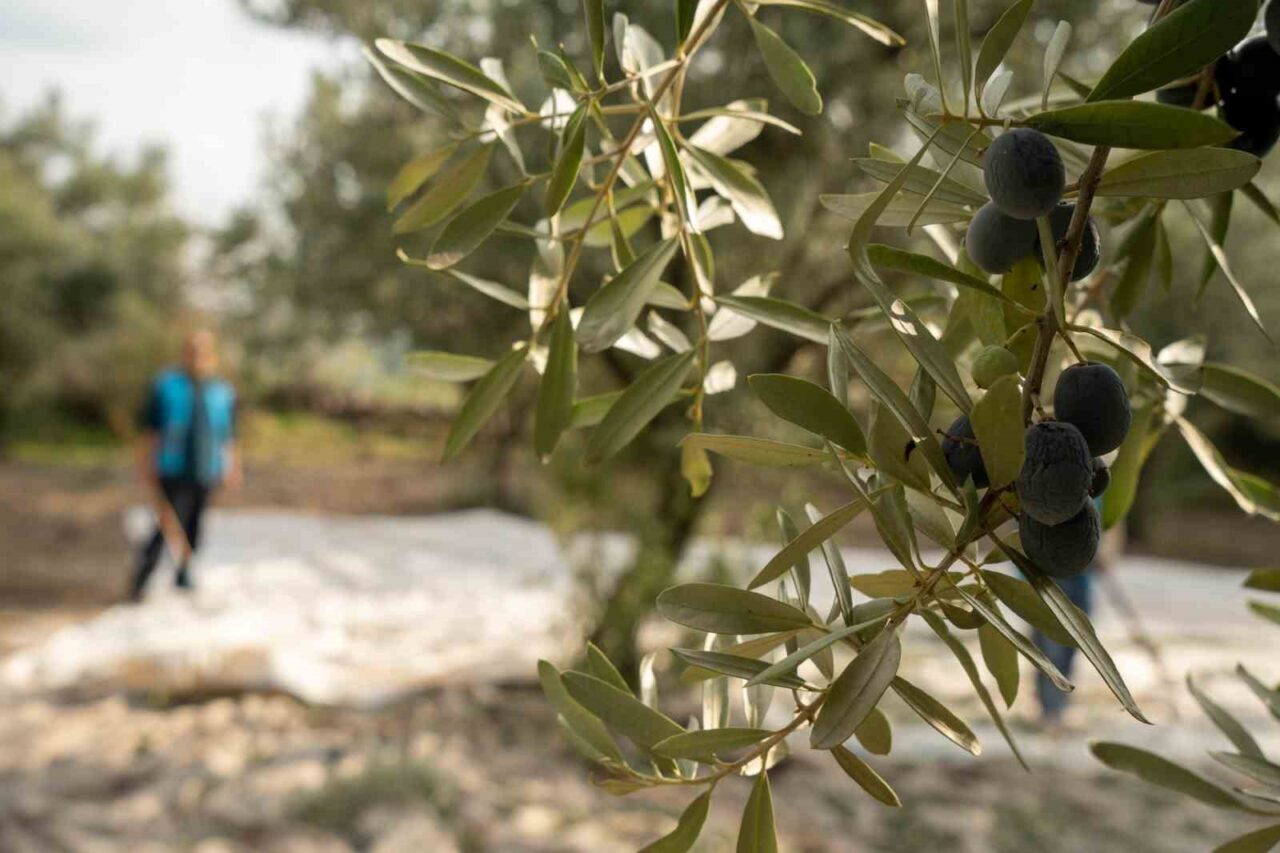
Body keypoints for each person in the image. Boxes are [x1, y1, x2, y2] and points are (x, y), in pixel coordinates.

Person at [131, 329, 241, 600]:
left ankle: (184, 573)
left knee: (195, 524)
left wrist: (232, 466)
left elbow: (228, 434)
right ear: (185, 352)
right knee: (166, 523)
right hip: (173, 466)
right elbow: (151, 429)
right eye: (192, 349)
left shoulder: (222, 391)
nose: (197, 356)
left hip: (207, 466)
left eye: (202, 350)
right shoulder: (166, 386)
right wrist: (147, 464)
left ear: (211, 354)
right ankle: (141, 579)